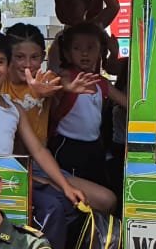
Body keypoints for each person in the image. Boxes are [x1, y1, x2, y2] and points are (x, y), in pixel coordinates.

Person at [0, 0, 85, 249]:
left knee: (68, 207)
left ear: (8, 65)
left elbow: (37, 149)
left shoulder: (14, 108)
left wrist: (66, 185)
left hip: (10, 184)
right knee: (52, 210)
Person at [3, 23, 115, 215]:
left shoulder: (47, 79)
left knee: (107, 200)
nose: (28, 64)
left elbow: (57, 83)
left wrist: (65, 89)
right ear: (7, 58)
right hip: (7, 165)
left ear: (43, 58)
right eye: (19, 57)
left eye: (35, 57)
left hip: (39, 164)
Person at [48, 22, 127, 189]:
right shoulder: (67, 74)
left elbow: (126, 102)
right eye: (77, 48)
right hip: (67, 145)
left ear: (100, 52)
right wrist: (69, 88)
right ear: (67, 54)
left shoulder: (102, 83)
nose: (84, 53)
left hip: (94, 146)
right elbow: (63, 82)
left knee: (98, 185)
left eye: (91, 47)